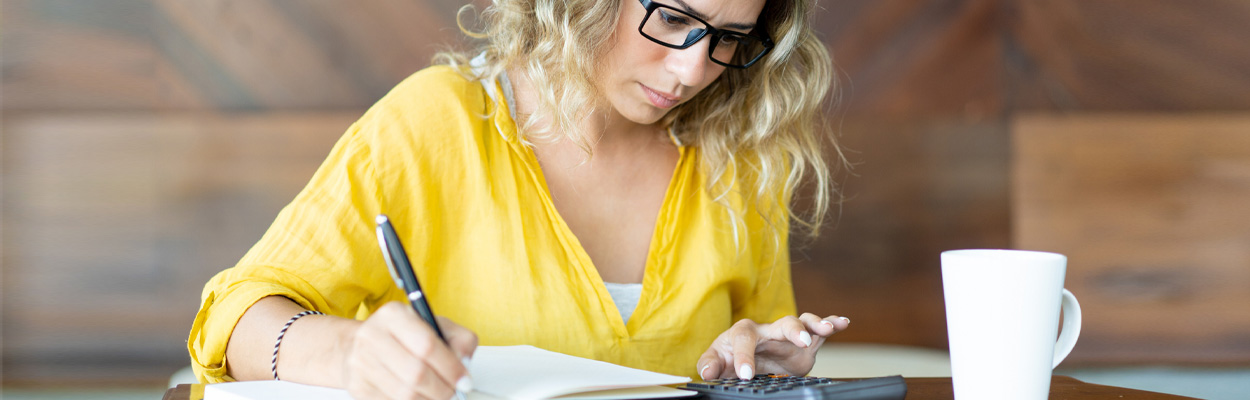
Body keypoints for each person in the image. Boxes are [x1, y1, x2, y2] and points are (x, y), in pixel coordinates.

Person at [187, 0, 848, 398]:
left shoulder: (740, 160)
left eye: (730, 37)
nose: (693, 69)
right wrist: (350, 355)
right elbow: (234, 321)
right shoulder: (435, 124)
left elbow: (759, 347)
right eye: (672, 17)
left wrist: (761, 369)